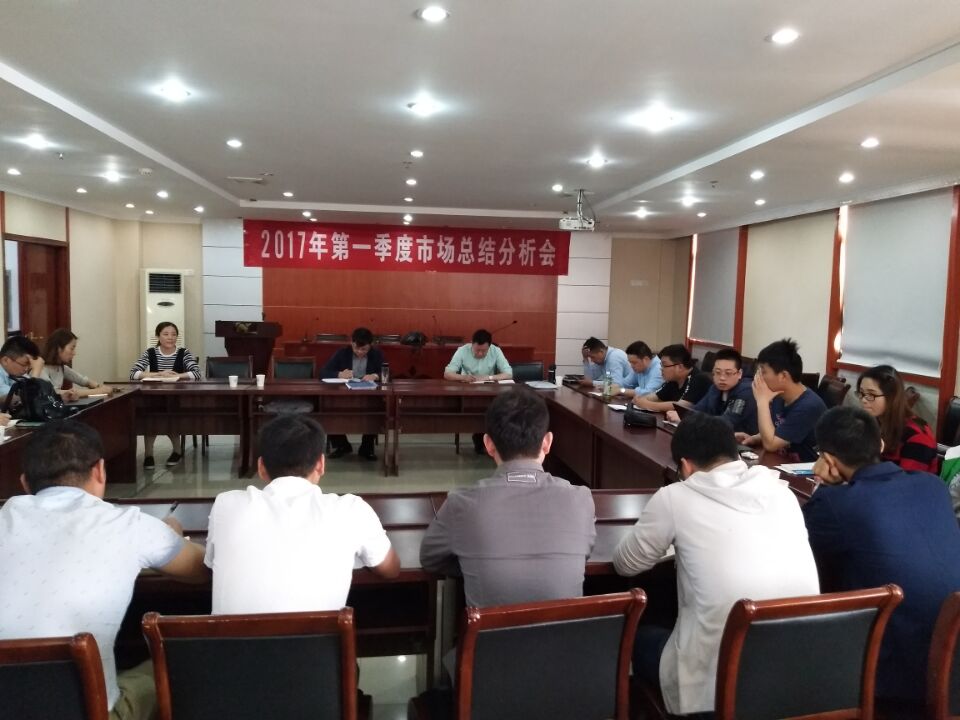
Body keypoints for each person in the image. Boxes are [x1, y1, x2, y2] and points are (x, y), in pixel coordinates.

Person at [613, 413, 819, 717]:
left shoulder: (676, 497)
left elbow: (626, 565)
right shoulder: (781, 491)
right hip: (795, 678)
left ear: (685, 466)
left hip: (714, 687)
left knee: (633, 637)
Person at [0, 421, 208, 720]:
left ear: (24, 483)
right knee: (180, 659)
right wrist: (170, 532)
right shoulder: (130, 525)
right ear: (100, 471)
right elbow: (202, 570)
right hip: (92, 713)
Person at [804, 406, 960, 708]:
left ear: (829, 461)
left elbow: (805, 557)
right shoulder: (932, 485)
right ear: (881, 444)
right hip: (954, 661)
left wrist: (825, 488)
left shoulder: (836, 503)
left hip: (895, 674)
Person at [204, 414, 400, 614]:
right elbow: (391, 570)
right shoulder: (352, 510)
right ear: (321, 465)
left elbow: (210, 568)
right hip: (319, 636)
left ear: (261, 468)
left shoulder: (226, 505)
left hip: (229, 636)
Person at [420, 386, 596, 608]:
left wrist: (474, 564)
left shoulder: (462, 504)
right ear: (547, 442)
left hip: (490, 632)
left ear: (488, 444)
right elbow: (584, 554)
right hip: (567, 631)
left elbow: (430, 558)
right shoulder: (581, 500)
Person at [735, 338, 827, 462]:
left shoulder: (809, 406)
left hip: (807, 470)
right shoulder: (779, 396)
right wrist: (755, 438)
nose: (758, 377)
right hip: (782, 463)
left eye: (763, 372)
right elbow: (779, 432)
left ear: (783, 376)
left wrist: (762, 402)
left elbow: (771, 444)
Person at [129, 322, 201, 469]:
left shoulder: (183, 352)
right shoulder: (151, 352)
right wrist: (159, 374)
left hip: (177, 396)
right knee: (150, 417)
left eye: (174, 334)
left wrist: (177, 376)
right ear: (158, 336)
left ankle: (177, 451)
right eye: (166, 334)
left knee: (170, 416)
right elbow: (134, 373)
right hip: (154, 395)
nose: (170, 338)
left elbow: (197, 373)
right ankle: (148, 455)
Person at [856, 364, 938, 473]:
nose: (863, 400)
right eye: (861, 393)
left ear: (892, 396)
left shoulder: (917, 436)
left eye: (871, 394)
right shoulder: (873, 422)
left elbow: (908, 481)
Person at [444, 329, 514, 453]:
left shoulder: (495, 351)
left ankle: (489, 442)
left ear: (489, 346)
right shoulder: (462, 350)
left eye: (484, 351)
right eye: (477, 350)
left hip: (489, 392)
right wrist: (463, 377)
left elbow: (508, 373)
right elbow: (448, 373)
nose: (480, 353)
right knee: (477, 412)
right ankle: (480, 440)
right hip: (467, 392)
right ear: (472, 343)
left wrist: (489, 377)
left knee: (497, 411)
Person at [320, 327, 384, 460]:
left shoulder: (376, 354)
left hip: (369, 395)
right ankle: (342, 446)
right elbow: (323, 373)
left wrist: (375, 376)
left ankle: (367, 448)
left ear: (370, 345)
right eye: (356, 348)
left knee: (376, 410)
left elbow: (388, 373)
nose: (360, 352)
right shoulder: (342, 353)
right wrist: (339, 374)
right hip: (344, 394)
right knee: (329, 409)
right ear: (351, 343)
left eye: (364, 349)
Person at [666, 347, 758, 434]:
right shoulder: (715, 388)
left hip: (744, 442)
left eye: (728, 373)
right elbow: (698, 409)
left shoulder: (746, 391)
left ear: (739, 374)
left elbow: (727, 423)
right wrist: (682, 415)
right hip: (716, 436)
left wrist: (688, 419)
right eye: (718, 372)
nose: (722, 378)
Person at [632, 343, 712, 412]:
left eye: (664, 365)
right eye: (661, 365)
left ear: (680, 367)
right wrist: (641, 399)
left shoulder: (699, 379)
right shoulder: (673, 380)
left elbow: (682, 406)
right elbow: (656, 396)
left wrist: (647, 404)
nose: (661, 369)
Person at [41, 328, 109, 401]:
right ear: (59, 348)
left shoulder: (61, 367)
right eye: (72, 348)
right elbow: (53, 392)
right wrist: (98, 391)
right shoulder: (41, 368)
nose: (74, 353)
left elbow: (83, 380)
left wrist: (98, 386)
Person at [0, 335, 44, 403]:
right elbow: (13, 400)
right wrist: (36, 372)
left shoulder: (18, 374)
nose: (26, 369)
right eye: (24, 364)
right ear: (5, 360)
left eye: (29, 365)